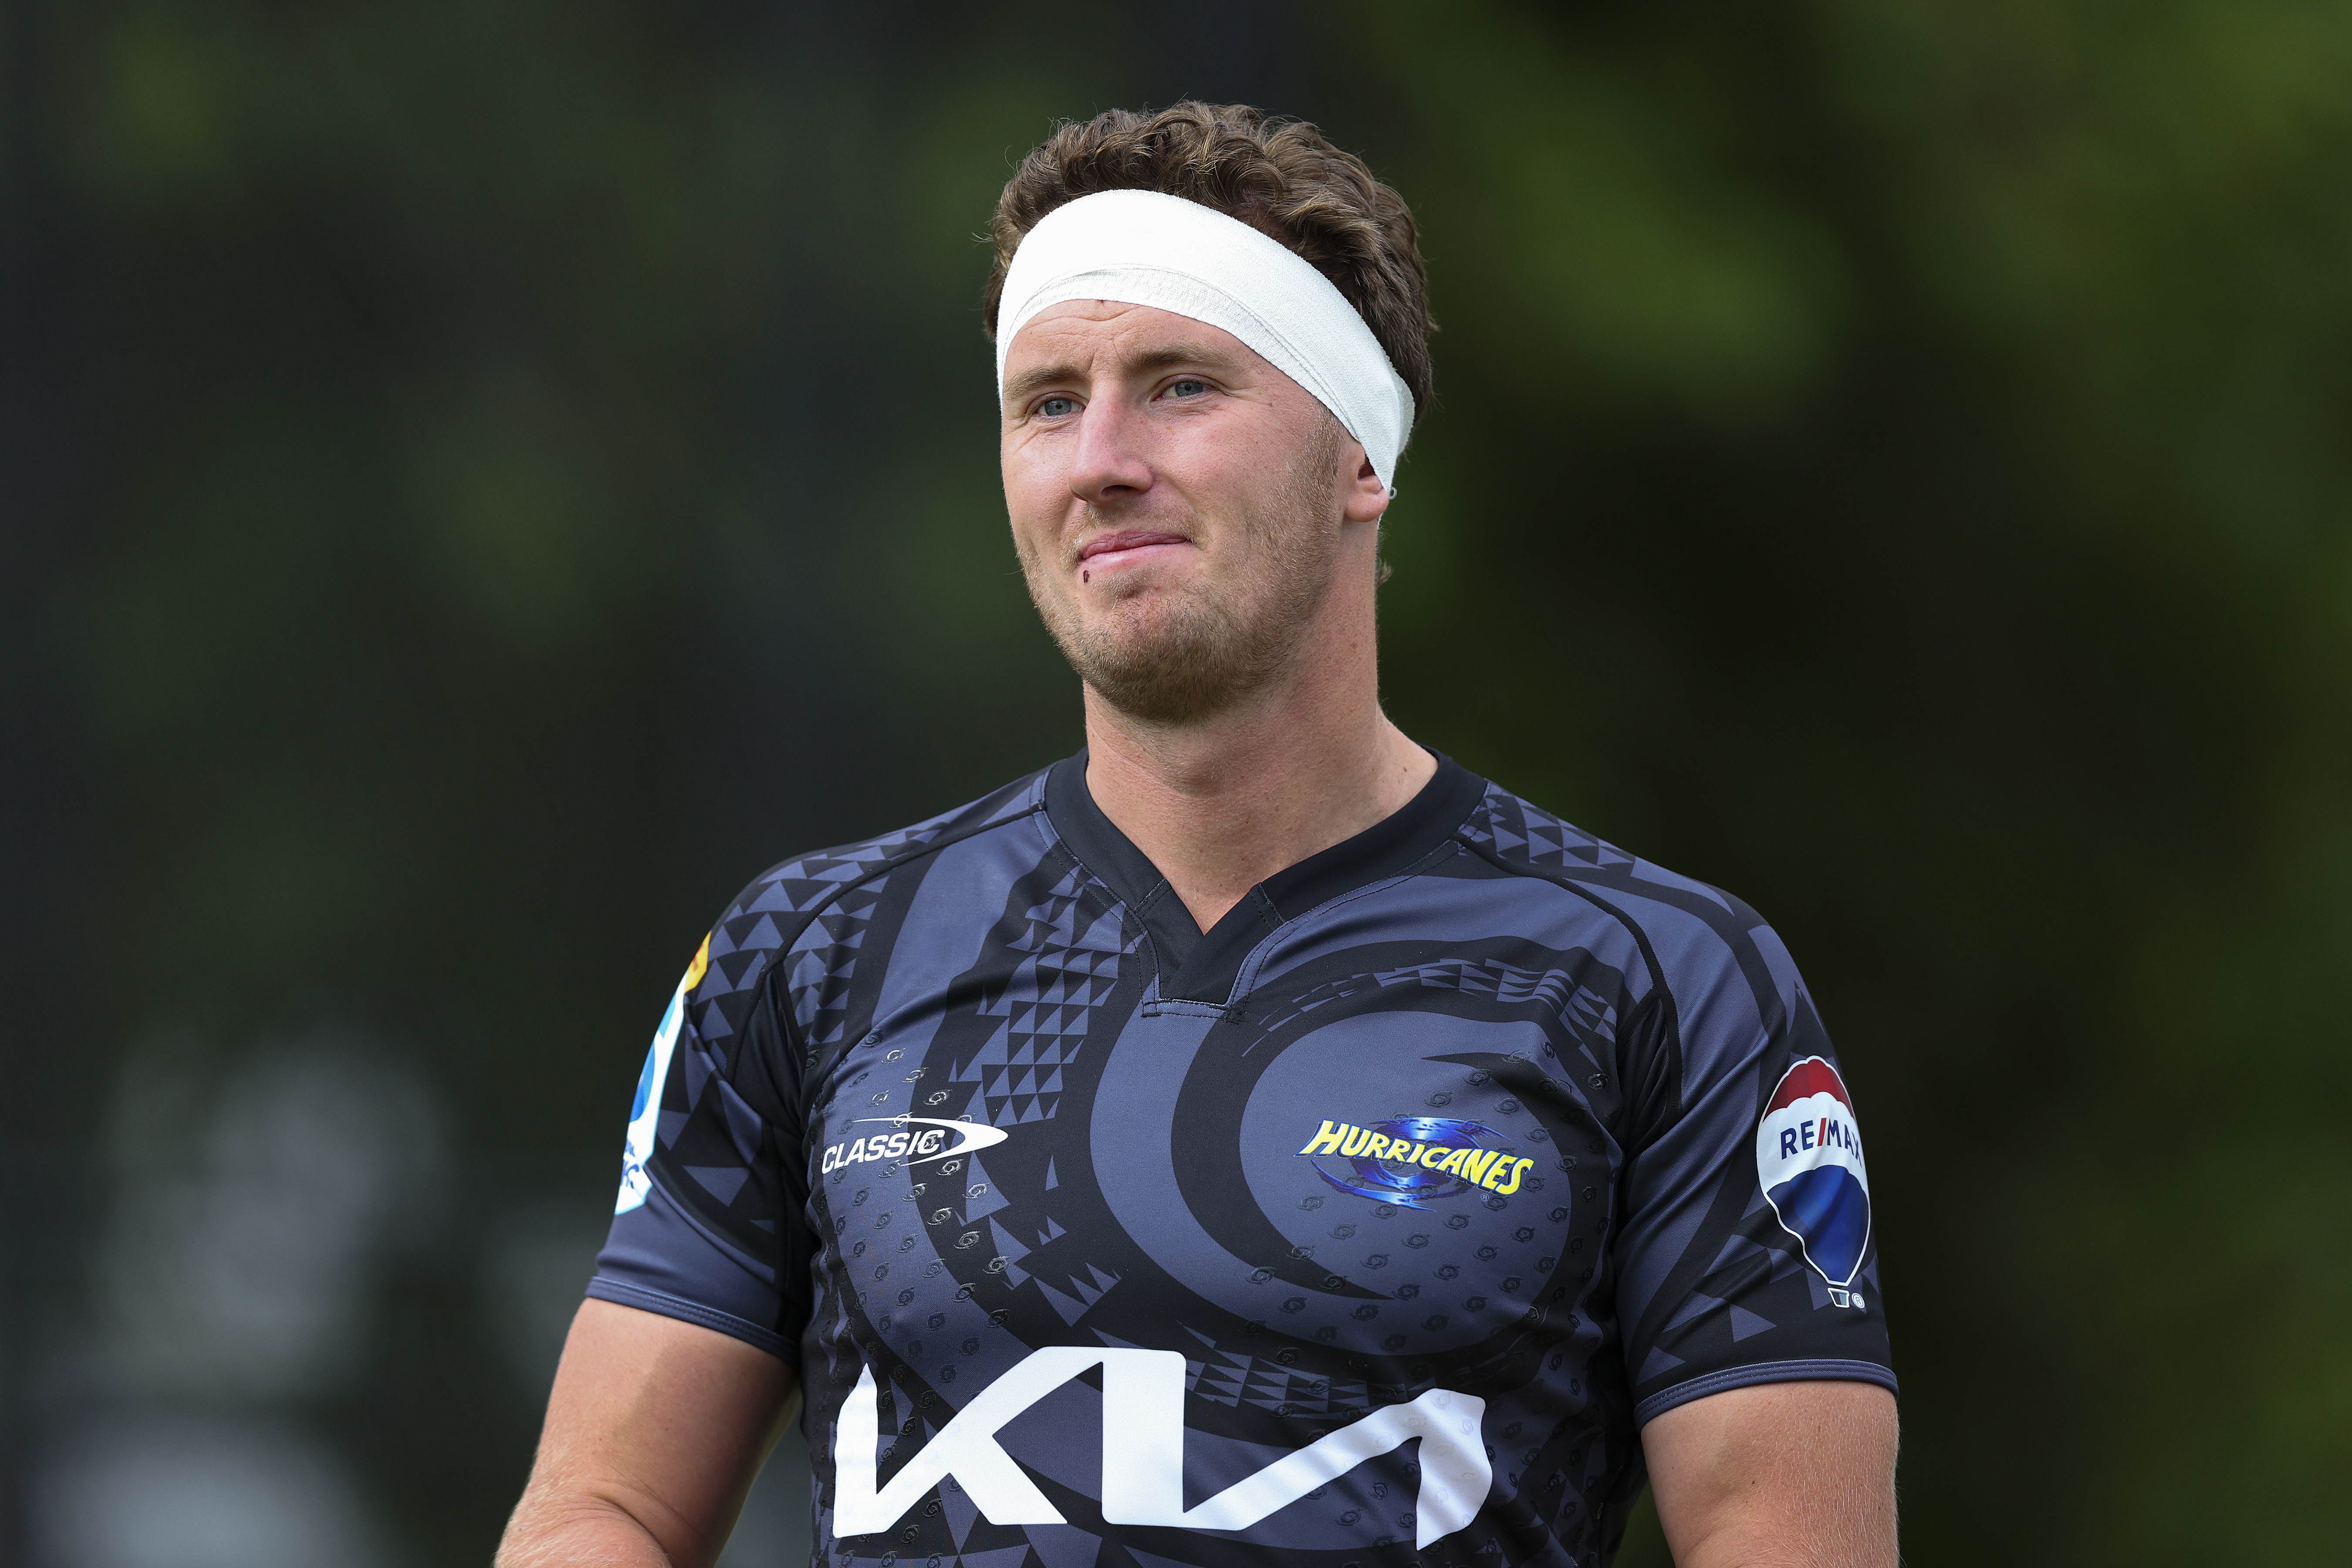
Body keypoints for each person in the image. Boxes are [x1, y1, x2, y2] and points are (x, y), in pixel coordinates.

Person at [496, 102, 1898, 1568]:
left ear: (1359, 458)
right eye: (1048, 402)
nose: (1099, 458)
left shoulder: (1661, 980)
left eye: (1177, 387)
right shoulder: (814, 953)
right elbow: (606, 1510)